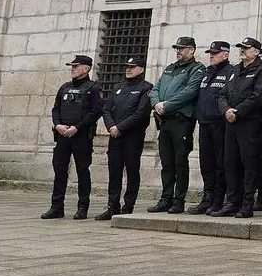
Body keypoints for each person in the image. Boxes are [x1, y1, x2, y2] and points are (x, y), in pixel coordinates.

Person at [213, 37, 262, 218]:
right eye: (241, 48)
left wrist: (237, 112)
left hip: (250, 123)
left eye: (246, 48)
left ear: (256, 51)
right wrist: (226, 111)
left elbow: (258, 97)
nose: (243, 51)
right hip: (231, 122)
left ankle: (247, 203)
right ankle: (233, 201)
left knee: (249, 163)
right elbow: (222, 94)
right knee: (230, 162)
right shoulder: (235, 70)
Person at [147, 36, 205, 214]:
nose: (178, 51)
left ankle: (178, 200)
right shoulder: (170, 68)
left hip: (181, 120)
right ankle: (166, 198)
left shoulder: (197, 69)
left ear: (191, 50)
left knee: (180, 161)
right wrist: (156, 103)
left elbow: (190, 92)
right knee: (167, 162)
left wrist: (166, 105)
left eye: (182, 48)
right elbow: (155, 89)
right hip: (165, 120)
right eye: (177, 48)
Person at [42, 54, 103, 220]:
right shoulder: (65, 87)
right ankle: (56, 207)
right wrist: (58, 124)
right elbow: (56, 109)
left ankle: (82, 207)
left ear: (86, 68)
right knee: (60, 170)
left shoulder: (94, 88)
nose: (73, 69)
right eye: (72, 66)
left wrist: (77, 127)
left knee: (83, 171)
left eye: (76, 66)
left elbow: (95, 112)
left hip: (81, 135)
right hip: (63, 135)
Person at [95, 56, 152, 220]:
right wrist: (111, 126)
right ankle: (112, 206)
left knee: (132, 171)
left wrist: (120, 127)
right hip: (115, 137)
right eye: (127, 66)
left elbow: (141, 114)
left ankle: (128, 206)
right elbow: (106, 109)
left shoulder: (145, 88)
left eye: (132, 67)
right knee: (114, 172)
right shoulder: (118, 87)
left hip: (132, 137)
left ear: (140, 69)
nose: (129, 69)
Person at [188, 41, 236, 215]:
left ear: (225, 54)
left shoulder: (231, 72)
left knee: (220, 163)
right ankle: (207, 198)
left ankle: (218, 199)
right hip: (204, 123)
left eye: (215, 53)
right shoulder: (207, 73)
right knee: (206, 163)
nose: (211, 56)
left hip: (220, 124)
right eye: (210, 53)